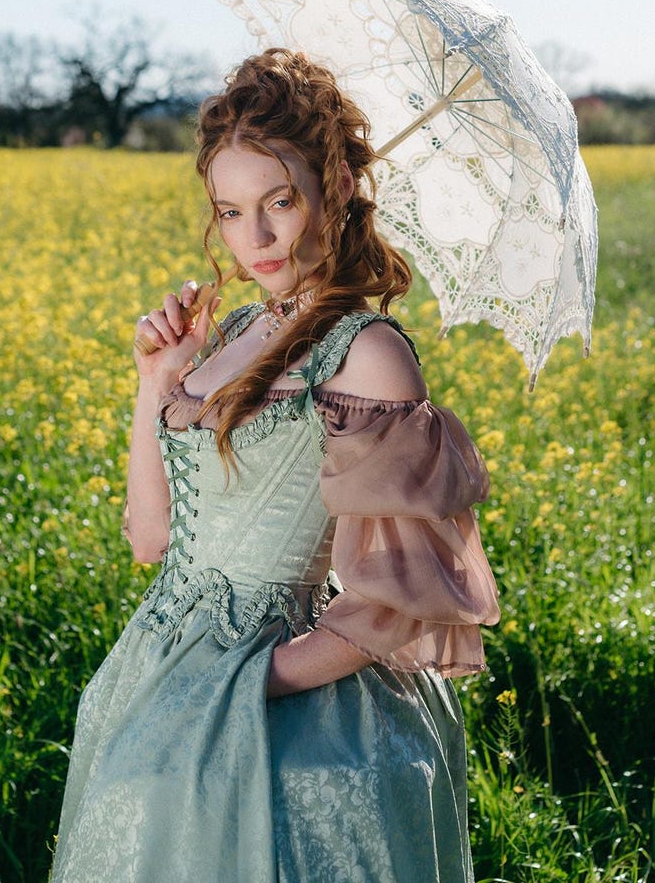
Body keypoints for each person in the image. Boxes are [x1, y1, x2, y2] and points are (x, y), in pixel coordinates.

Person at [50, 49, 500, 883]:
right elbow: (149, 541)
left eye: (279, 203)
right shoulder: (228, 336)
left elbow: (392, 604)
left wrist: (240, 688)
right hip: (162, 661)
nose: (251, 237)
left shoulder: (366, 355)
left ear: (334, 192)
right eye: (228, 210)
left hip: (292, 692)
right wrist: (157, 384)